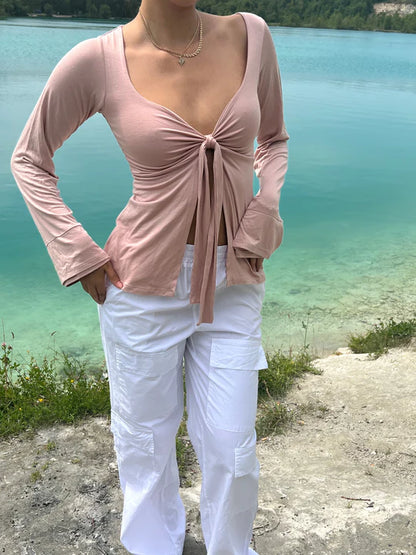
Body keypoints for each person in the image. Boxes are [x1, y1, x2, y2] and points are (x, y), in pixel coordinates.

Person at [11, 1, 289, 553]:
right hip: (139, 287)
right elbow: (30, 158)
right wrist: (78, 253)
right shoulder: (98, 60)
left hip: (234, 280)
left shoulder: (251, 35)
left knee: (233, 446)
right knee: (145, 443)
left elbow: (274, 140)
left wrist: (265, 208)